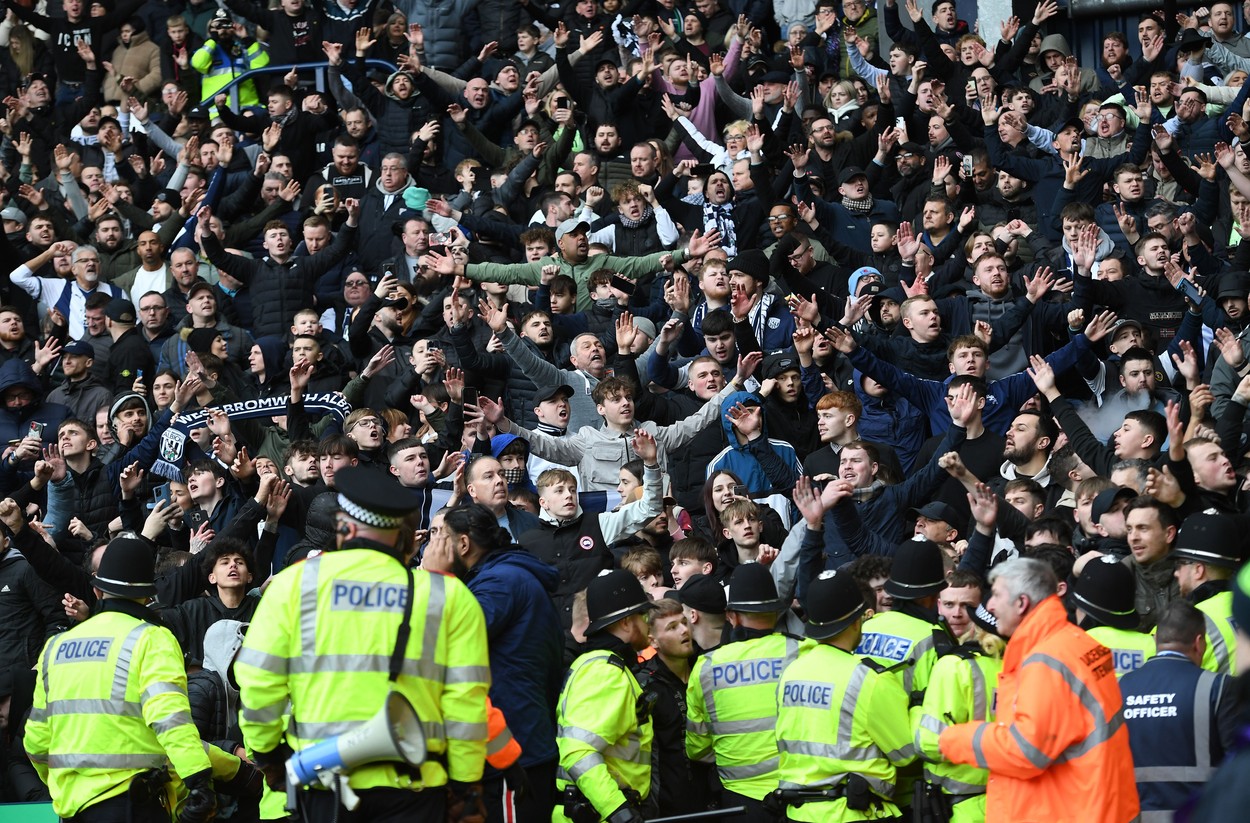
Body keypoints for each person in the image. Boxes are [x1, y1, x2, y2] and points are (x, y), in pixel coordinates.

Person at [235, 467, 490, 820]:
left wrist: (267, 756)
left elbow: (260, 684)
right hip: (416, 787)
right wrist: (466, 785)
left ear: (345, 527)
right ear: (403, 536)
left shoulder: (291, 586)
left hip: (323, 787)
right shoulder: (448, 596)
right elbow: (466, 703)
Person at [24, 535, 220, 822]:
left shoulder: (55, 647)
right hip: (131, 805)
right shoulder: (152, 639)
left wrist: (65, 786)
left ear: (98, 591)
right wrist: (199, 779)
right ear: (146, 596)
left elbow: (36, 741)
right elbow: (170, 719)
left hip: (71, 809)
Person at [939, 559, 1140, 823]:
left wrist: (958, 738)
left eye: (997, 595)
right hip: (1092, 804)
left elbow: (1026, 751)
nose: (989, 605)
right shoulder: (1073, 642)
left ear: (1021, 603)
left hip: (1072, 810)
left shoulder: (1046, 660)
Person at [422, 503, 563, 823]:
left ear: (462, 544)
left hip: (512, 751)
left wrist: (435, 578)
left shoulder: (499, 584)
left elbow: (441, 643)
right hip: (521, 744)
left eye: (439, 537)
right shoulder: (501, 576)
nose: (432, 548)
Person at [772, 569, 915, 822]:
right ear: (858, 618)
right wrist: (916, 709)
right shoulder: (869, 679)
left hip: (798, 813)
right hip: (853, 813)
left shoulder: (791, 672)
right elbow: (906, 753)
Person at [686, 564, 810, 821]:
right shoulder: (803, 651)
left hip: (741, 802)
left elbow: (696, 748)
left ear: (732, 616)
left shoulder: (707, 667)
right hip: (803, 794)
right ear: (775, 611)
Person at [1120, 600, 1238, 820]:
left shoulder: (1120, 688)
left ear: (1156, 640)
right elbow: (1239, 764)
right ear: (1199, 643)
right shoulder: (1219, 687)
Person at [553, 569, 655, 823]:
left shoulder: (595, 663)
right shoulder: (605, 672)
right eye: (643, 615)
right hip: (601, 814)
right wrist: (618, 811)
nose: (648, 622)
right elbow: (578, 751)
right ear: (625, 622)